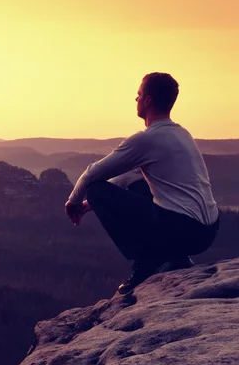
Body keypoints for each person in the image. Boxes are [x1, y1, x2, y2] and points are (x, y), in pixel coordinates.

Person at [64, 73, 220, 295]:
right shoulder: (181, 133)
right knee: (137, 187)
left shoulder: (146, 139)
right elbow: (133, 174)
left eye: (138, 95)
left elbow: (93, 173)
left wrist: (74, 202)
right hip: (206, 231)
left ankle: (145, 262)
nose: (135, 99)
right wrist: (88, 205)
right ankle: (173, 257)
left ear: (147, 100)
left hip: (184, 229)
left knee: (97, 190)